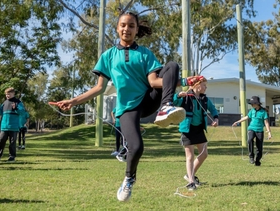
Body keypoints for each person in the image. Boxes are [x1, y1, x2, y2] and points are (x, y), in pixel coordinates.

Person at [52, 12, 204, 202]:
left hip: (148, 100)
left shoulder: (145, 54)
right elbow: (99, 88)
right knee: (136, 147)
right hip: (127, 109)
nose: (127, 29)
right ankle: (129, 178)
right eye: (123, 25)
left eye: (131, 26)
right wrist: (73, 101)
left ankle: (166, 106)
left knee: (172, 65)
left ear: (137, 29)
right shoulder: (108, 56)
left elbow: (155, 81)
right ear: (117, 28)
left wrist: (183, 81)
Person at [173, 77, 218, 191]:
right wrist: (178, 96)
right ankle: (191, 182)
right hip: (187, 129)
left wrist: (216, 119)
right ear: (197, 85)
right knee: (190, 156)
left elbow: (213, 110)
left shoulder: (205, 99)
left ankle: (189, 175)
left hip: (199, 129)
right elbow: (173, 102)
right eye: (204, 85)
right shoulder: (186, 96)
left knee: (204, 154)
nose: (205, 87)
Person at [232, 96, 272, 166]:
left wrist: (269, 132)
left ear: (257, 104)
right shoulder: (252, 111)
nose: (252, 105)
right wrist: (237, 122)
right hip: (251, 129)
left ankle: (257, 160)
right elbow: (246, 117)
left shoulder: (263, 112)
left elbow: (266, 122)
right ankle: (251, 157)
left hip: (259, 130)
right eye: (251, 104)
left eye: (253, 103)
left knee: (259, 147)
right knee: (249, 140)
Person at [0, 88, 25, 162]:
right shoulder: (4, 103)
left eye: (9, 94)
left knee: (12, 143)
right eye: (6, 94)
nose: (7, 95)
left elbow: (22, 112)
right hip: (4, 126)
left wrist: (16, 108)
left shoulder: (18, 102)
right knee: (1, 140)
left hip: (13, 127)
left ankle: (12, 156)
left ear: (13, 93)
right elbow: (1, 113)